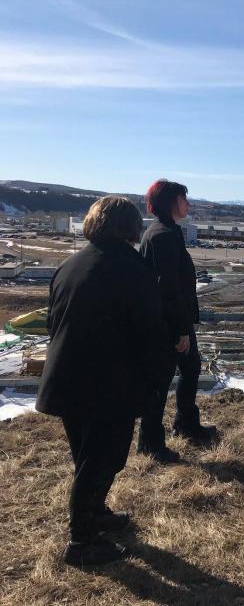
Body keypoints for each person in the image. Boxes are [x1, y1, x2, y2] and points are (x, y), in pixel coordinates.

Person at [37, 196, 169, 566]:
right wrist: (157, 378)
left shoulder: (69, 265)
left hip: (66, 376)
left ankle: (96, 514)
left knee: (86, 457)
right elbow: (148, 330)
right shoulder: (133, 268)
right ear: (131, 228)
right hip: (109, 382)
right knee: (102, 460)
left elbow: (53, 324)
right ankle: (81, 541)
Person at [138, 179, 215, 464]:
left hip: (176, 320)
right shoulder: (162, 236)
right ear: (171, 202)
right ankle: (150, 442)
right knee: (160, 380)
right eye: (185, 199)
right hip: (167, 324)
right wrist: (181, 330)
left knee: (191, 367)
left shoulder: (168, 232)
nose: (188, 204)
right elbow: (167, 287)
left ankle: (186, 423)